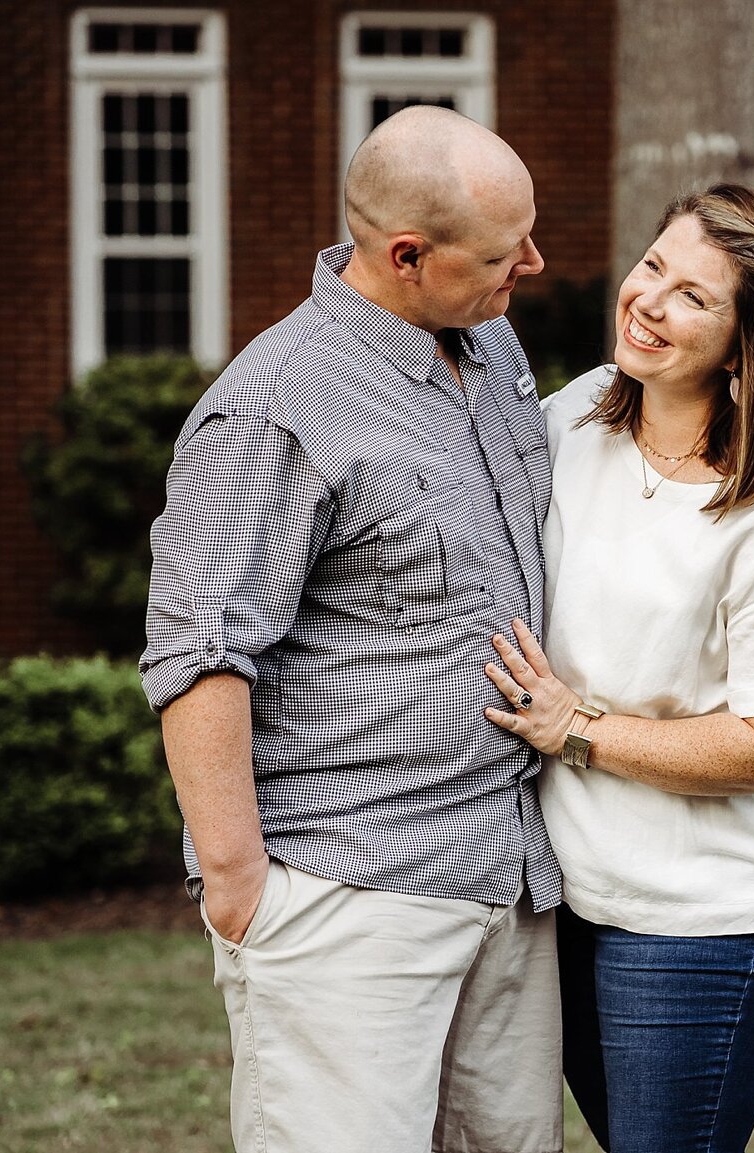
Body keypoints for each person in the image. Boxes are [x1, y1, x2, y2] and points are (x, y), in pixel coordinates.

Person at [140, 105, 562, 1153]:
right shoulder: (275, 406)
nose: (537, 266)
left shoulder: (491, 342)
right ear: (407, 255)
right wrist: (241, 885)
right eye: (507, 253)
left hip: (508, 882)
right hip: (349, 897)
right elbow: (199, 652)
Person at [480, 184, 754, 1152]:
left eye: (694, 296)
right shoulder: (575, 420)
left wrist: (578, 728)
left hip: (710, 914)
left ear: (747, 343)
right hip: (570, 894)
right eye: (652, 267)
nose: (649, 301)